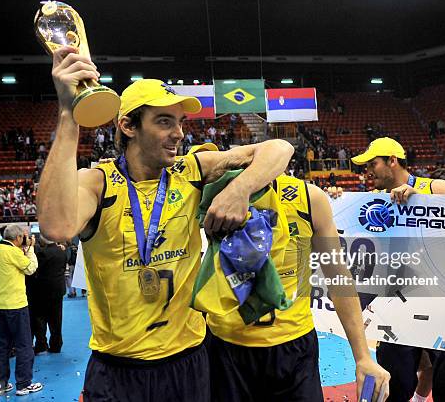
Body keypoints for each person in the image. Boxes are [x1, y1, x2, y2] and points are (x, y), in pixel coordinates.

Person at [36, 46, 294, 402]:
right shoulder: (98, 182)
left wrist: (239, 190)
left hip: (188, 361)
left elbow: (279, 149)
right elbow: (57, 228)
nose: (178, 134)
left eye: (180, 122)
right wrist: (69, 113)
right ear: (128, 126)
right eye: (163, 121)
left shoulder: (190, 170)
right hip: (118, 370)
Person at [206, 172, 390, 402]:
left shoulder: (309, 198)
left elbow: (338, 277)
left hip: (294, 347)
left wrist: (363, 357)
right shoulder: (216, 192)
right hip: (227, 346)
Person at [350, 137, 445, 402]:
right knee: (395, 387)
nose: (367, 170)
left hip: (444, 304)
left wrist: (424, 203)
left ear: (393, 161)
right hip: (396, 307)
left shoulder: (436, 187)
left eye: (373, 163)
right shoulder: (372, 204)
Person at [0, 225, 43, 396]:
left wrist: (23, 249)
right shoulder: (13, 253)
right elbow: (30, 268)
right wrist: (31, 249)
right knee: (24, 345)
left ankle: (1, 383)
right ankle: (23, 384)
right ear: (18, 237)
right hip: (16, 306)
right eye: (23, 237)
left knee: (4, 346)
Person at [33, 236, 67, 354]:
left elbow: (36, 269)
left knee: (40, 318)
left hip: (43, 290)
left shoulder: (42, 253)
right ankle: (56, 345)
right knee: (57, 319)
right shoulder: (62, 252)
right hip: (58, 289)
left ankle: (41, 344)